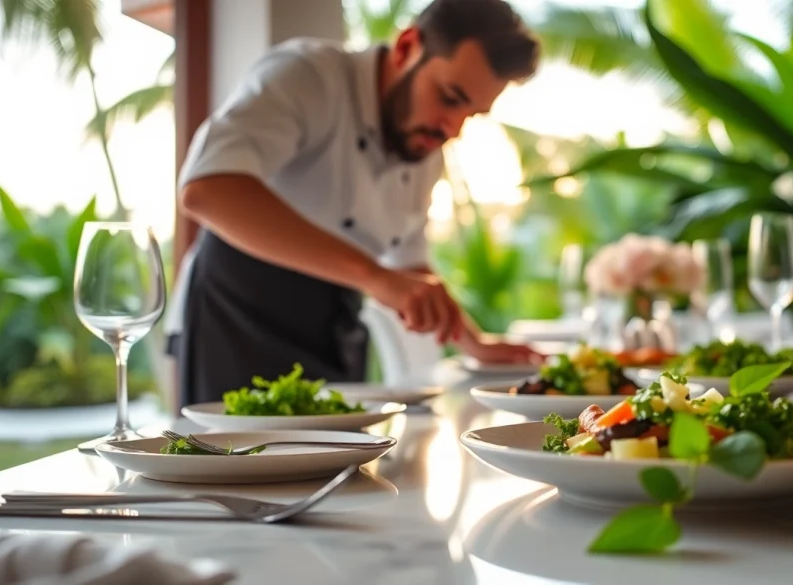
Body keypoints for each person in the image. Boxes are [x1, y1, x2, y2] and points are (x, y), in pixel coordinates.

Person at [167, 0, 543, 406]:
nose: (452, 128)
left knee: (341, 465)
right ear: (406, 47)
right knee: (234, 463)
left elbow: (411, 267)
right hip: (236, 315)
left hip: (335, 324)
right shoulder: (307, 76)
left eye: (471, 114)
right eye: (450, 97)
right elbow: (207, 188)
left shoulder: (425, 148)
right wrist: (374, 277)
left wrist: (475, 343)